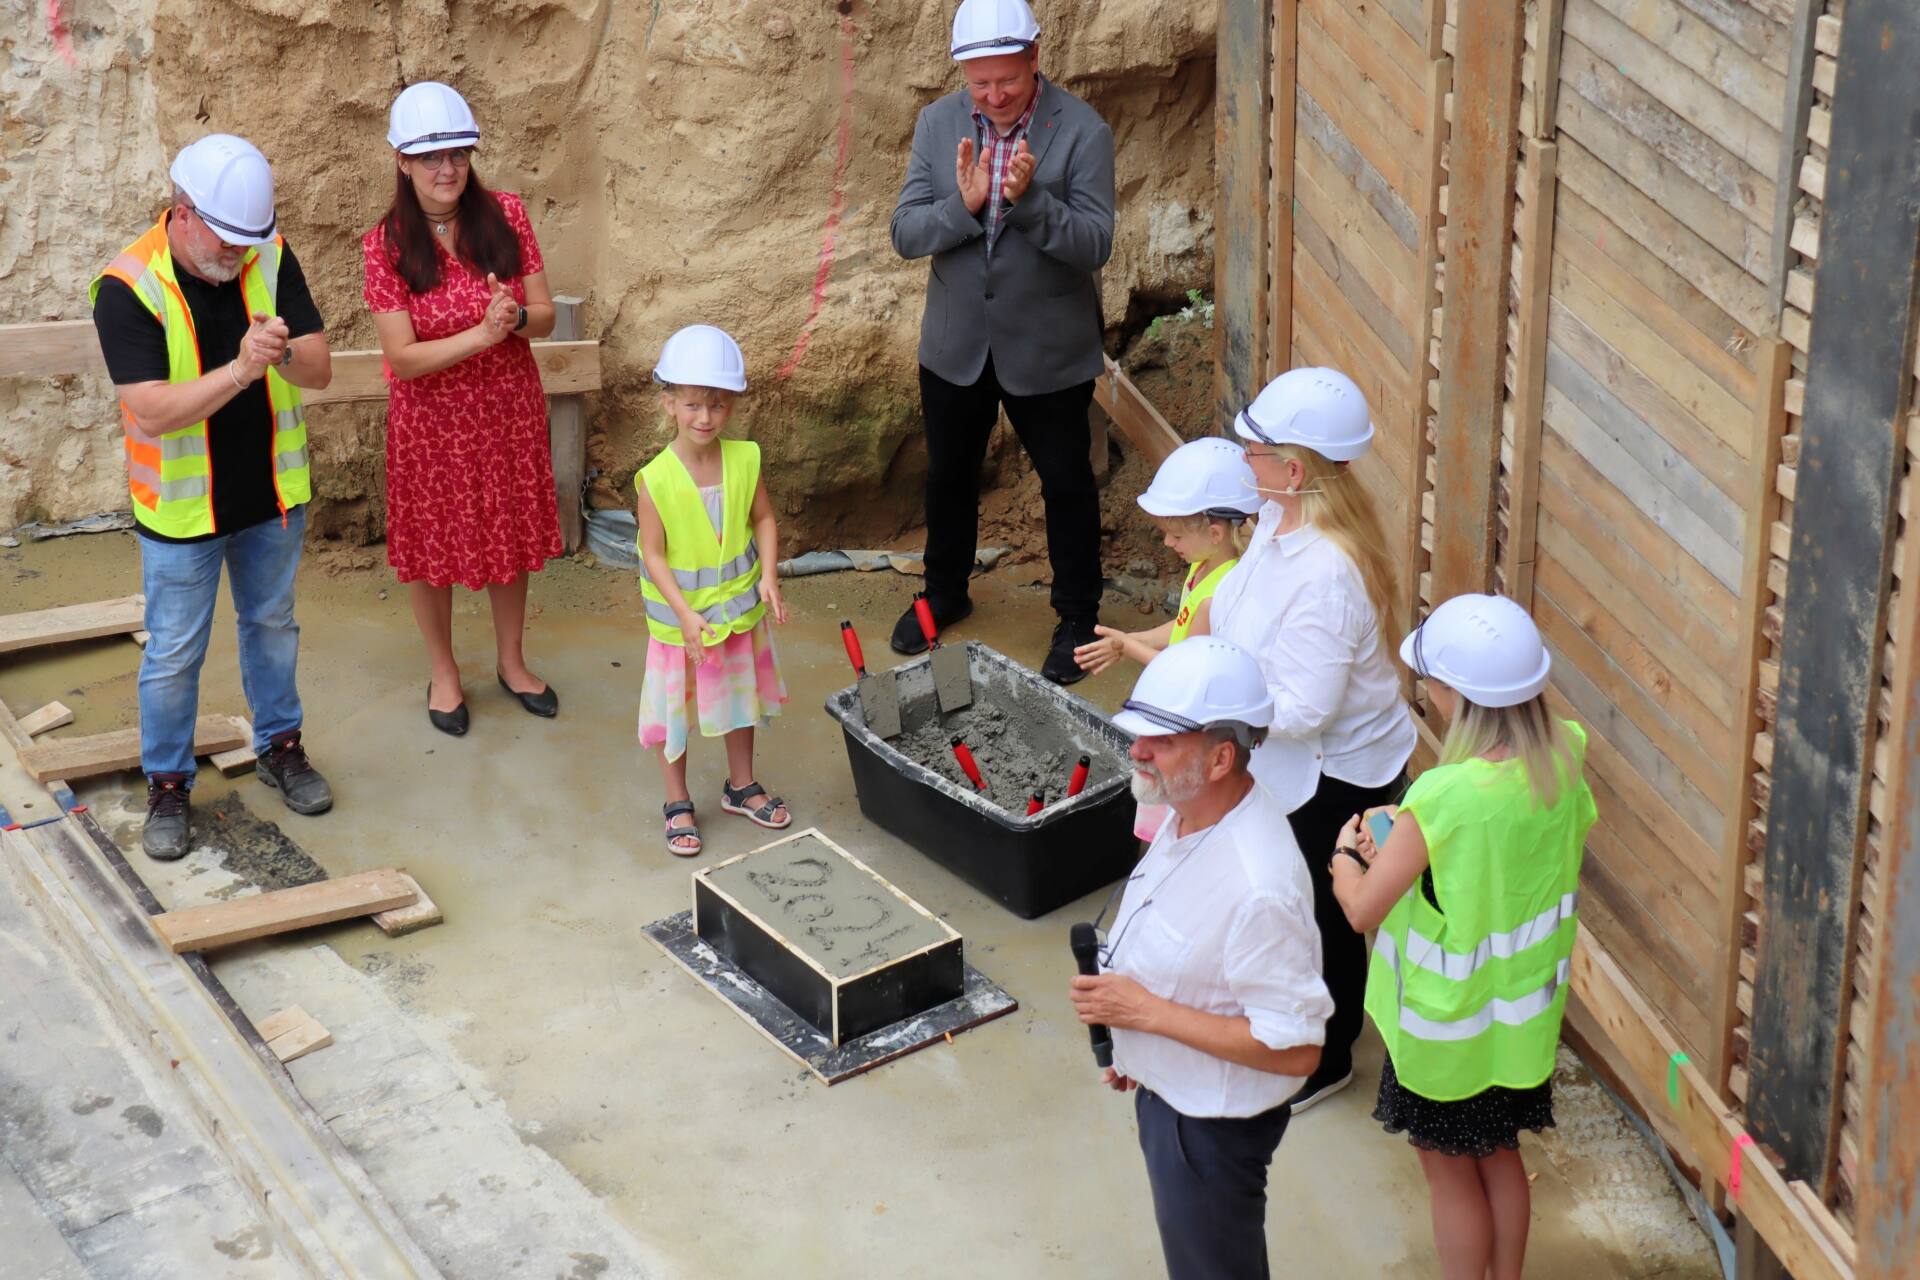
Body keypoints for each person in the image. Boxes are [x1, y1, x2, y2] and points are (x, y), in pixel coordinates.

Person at [1329, 593, 1595, 1280]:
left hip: (1445, 1035)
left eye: (1434, 685)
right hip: (1520, 1025)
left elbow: (1362, 911)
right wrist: (1411, 829)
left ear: (1457, 696)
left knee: (1450, 1177)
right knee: (1500, 1154)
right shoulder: (1565, 754)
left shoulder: (1443, 797)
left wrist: (1345, 857)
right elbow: (1495, 847)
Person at [89, 134, 336, 860]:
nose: (237, 257)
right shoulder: (128, 287)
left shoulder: (270, 253)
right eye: (226, 242)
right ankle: (168, 784)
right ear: (183, 212)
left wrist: (283, 350)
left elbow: (318, 369)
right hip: (183, 513)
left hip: (270, 496)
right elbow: (152, 411)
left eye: (246, 243)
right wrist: (241, 370)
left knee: (272, 626)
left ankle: (280, 749)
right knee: (173, 654)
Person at [1070, 637, 1332, 1280]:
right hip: (1172, 1095)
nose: (1136, 751)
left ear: (1220, 758)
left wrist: (1147, 1015)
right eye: (1139, 735)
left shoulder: (1259, 886)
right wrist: (1142, 1050)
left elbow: (1297, 1049)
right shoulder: (1183, 811)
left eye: (1160, 741)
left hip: (1208, 1131)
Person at [1206, 366, 1417, 1115]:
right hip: (1291, 756)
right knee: (1289, 897)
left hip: (1336, 772)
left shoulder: (1328, 574)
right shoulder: (1276, 519)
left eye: (1254, 452)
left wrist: (1219, 692)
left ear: (1293, 470)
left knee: (1324, 909)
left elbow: (1305, 708)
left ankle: (1327, 1059)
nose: (1243, 463)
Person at [888, 0, 1116, 685]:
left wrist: (1030, 202)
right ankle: (944, 592)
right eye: (979, 84)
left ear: (1035, 58)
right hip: (957, 344)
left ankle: (1078, 614)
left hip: (1049, 349)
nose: (993, 97)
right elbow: (904, 233)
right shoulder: (938, 124)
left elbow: (1095, 245)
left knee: (1067, 484)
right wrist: (966, 206)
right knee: (948, 479)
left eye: (1006, 82)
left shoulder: (1082, 130)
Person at [362, 81, 562, 736]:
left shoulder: (505, 214)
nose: (446, 170)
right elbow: (403, 358)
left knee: (507, 532)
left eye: (457, 153)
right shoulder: (385, 243)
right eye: (429, 158)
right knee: (431, 547)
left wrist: (515, 318)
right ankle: (444, 671)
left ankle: (512, 661)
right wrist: (482, 333)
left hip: (507, 410)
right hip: (431, 424)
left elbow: (545, 318)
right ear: (402, 161)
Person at [634, 325, 792, 858]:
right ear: (670, 403)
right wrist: (682, 613)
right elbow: (652, 554)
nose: (705, 417)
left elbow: (764, 519)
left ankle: (739, 784)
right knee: (672, 712)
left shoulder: (745, 459)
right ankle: (677, 799)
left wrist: (768, 575)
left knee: (739, 700)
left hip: (738, 615)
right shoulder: (654, 479)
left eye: (717, 405)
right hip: (682, 627)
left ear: (731, 407)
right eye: (694, 405)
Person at [1073, 437, 1260, 841]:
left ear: (1214, 532)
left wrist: (1125, 647)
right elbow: (1181, 623)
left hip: (1187, 720)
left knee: (1169, 811)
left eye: (1175, 535)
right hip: (1181, 707)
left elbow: (1182, 675)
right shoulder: (1207, 565)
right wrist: (1132, 635)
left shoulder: (1217, 595)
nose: (1166, 543)